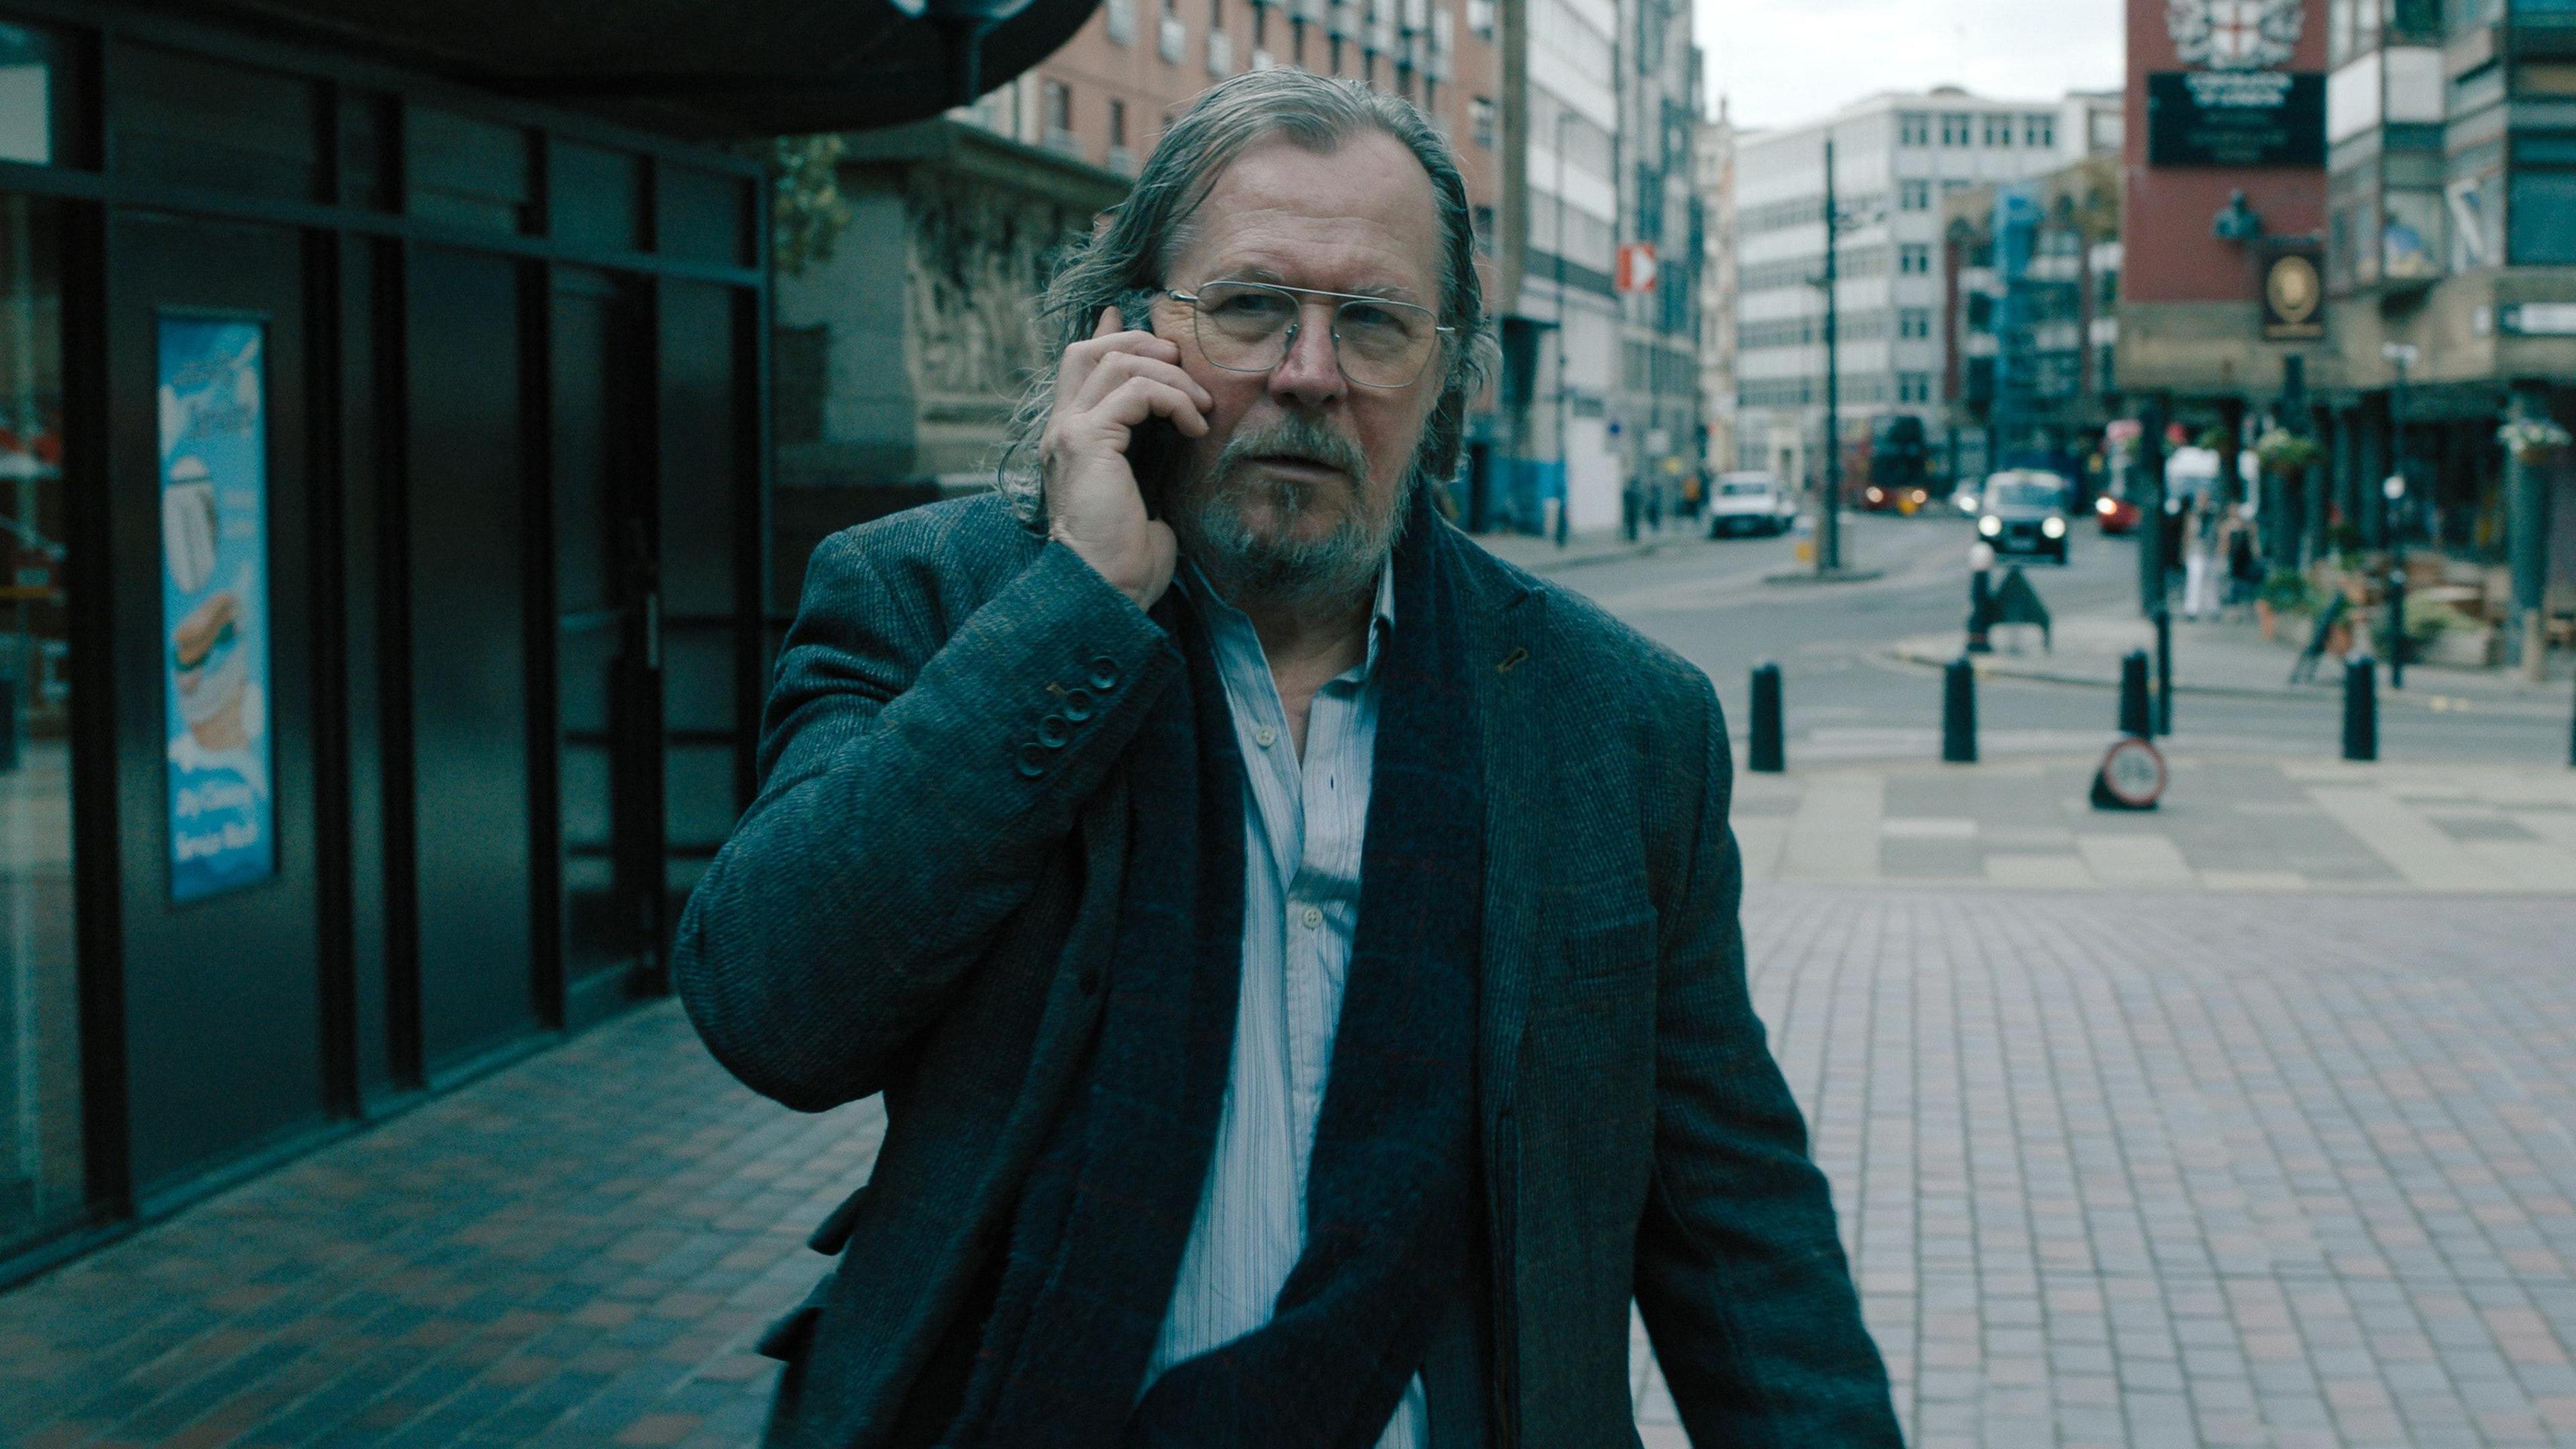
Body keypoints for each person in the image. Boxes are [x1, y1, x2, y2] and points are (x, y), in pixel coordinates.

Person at [674, 70, 1898, 1449]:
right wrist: (1072, 612)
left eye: (1372, 323)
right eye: (1251, 307)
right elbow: (774, 1007)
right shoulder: (931, 607)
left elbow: (1735, 1224)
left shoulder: (1617, 721)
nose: (1309, 372)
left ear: (1445, 377)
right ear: (1126, 333)